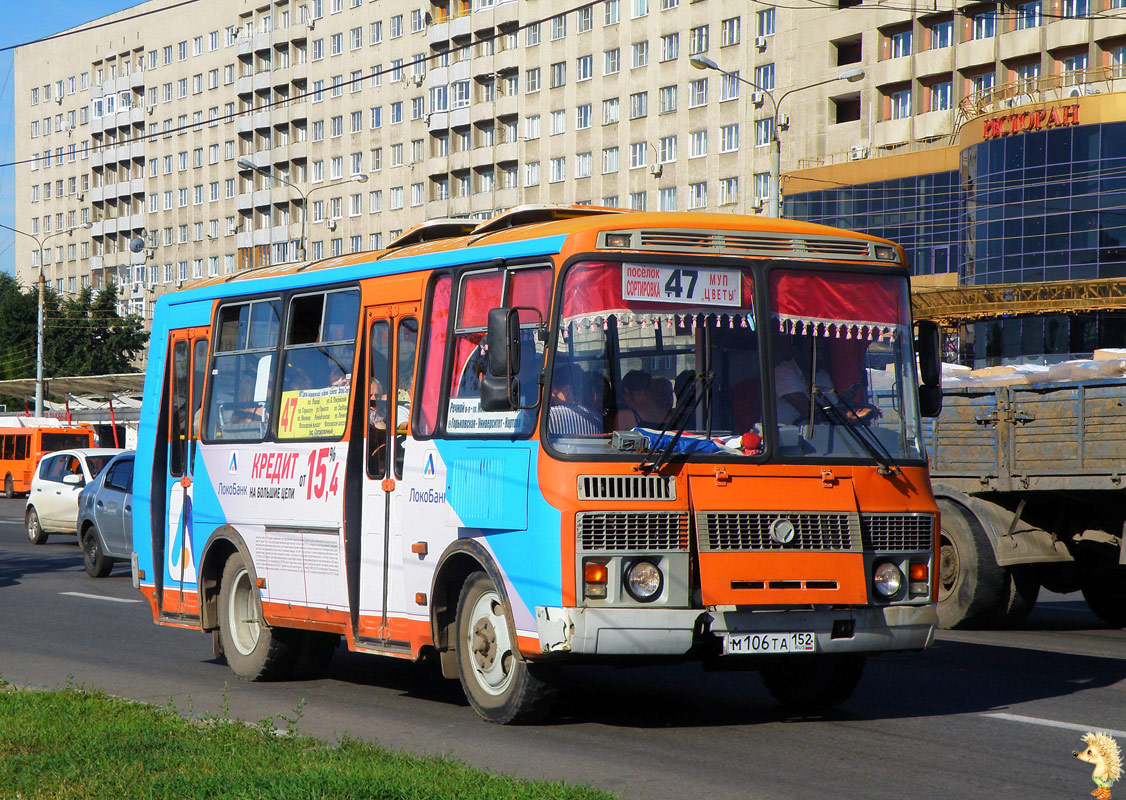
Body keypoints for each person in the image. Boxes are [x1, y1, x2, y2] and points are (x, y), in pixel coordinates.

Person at [547, 367, 602, 436]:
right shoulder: (597, 419)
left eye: (554, 392)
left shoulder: (550, 416)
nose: (551, 395)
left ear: (566, 390)